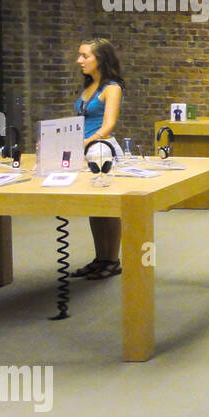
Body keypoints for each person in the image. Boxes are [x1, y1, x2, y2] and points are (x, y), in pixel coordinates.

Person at [73, 38, 125, 279]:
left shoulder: (111, 88)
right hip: (83, 150)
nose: (79, 61)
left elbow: (108, 125)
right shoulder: (87, 87)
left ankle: (112, 260)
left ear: (100, 59)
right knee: (94, 208)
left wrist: (84, 142)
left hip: (100, 150)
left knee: (108, 207)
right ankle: (100, 257)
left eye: (85, 56)